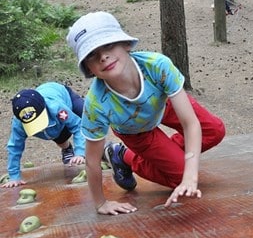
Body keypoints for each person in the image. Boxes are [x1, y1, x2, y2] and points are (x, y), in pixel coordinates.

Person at [66, 11, 225, 216]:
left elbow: (190, 124)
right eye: (92, 55)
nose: (103, 56)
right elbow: (92, 161)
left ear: (125, 44)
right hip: (135, 130)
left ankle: (165, 155)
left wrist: (191, 176)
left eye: (108, 45)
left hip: (163, 104)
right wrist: (100, 204)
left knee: (215, 130)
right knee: (179, 175)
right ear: (89, 68)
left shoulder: (157, 66)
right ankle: (123, 156)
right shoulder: (97, 104)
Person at [2, 82, 86, 188]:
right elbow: (14, 147)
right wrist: (14, 177)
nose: (39, 127)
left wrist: (80, 152)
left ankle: (99, 149)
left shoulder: (56, 107)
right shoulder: (19, 124)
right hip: (54, 125)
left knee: (87, 118)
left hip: (64, 96)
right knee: (52, 132)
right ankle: (67, 148)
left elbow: (77, 126)